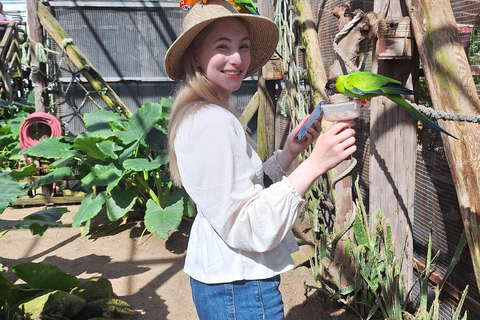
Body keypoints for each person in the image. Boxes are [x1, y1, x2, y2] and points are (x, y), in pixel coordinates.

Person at [164, 0, 356, 318]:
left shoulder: (198, 111)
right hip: (241, 288)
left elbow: (237, 190)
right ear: (195, 55)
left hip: (222, 279)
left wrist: (290, 153)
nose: (237, 58)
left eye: (244, 46)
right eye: (222, 46)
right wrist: (316, 163)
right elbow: (248, 225)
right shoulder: (214, 120)